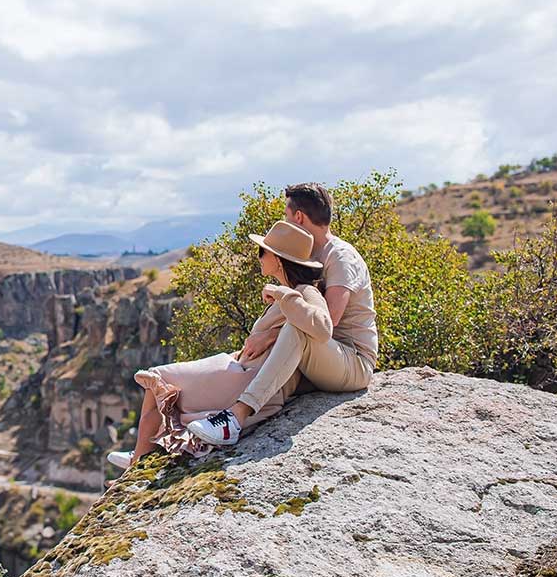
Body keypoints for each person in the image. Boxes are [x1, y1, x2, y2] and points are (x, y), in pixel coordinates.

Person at [107, 219, 331, 469]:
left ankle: (138, 458)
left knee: (159, 379)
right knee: (158, 379)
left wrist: (281, 297)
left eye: (262, 251)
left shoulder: (305, 291)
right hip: (240, 368)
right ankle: (140, 454)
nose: (258, 257)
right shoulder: (288, 291)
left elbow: (322, 327)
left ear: (278, 259)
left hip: (249, 379)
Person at [185, 182, 378, 447]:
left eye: (286, 215)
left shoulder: (340, 257)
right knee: (258, 373)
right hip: (317, 359)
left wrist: (269, 336)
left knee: (297, 329)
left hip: (351, 360)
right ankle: (191, 434)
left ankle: (236, 417)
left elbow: (327, 323)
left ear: (298, 217)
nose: (285, 221)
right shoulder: (307, 253)